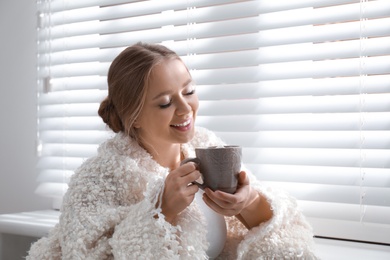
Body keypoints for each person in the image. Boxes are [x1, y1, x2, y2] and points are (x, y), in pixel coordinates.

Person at [27, 42, 318, 259]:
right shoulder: (97, 179)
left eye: (189, 91)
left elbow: (282, 234)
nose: (185, 108)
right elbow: (86, 254)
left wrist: (249, 201)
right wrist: (160, 210)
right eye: (165, 102)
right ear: (134, 116)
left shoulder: (210, 150)